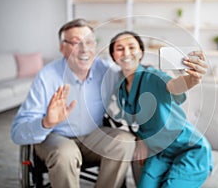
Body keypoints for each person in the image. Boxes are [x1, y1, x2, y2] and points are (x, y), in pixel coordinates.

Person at [11, 19, 136, 188]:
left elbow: (132, 81)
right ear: (62, 48)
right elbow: (17, 132)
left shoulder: (106, 70)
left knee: (125, 142)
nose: (84, 49)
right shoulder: (46, 77)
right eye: (76, 43)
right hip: (55, 137)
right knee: (66, 153)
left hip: (93, 137)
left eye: (89, 42)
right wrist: (46, 122)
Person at [108, 31, 213, 188]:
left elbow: (173, 86)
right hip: (159, 153)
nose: (126, 53)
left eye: (131, 47)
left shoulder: (153, 76)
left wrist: (193, 78)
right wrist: (140, 139)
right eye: (120, 48)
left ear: (141, 52)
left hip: (189, 148)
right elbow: (132, 121)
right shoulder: (120, 86)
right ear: (113, 56)